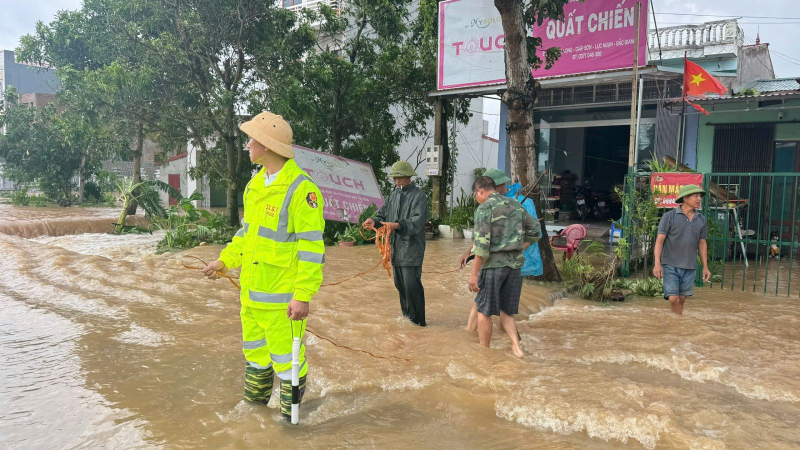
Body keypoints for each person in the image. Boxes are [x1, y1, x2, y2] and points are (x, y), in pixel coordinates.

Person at [201, 112, 325, 419]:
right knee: (256, 359)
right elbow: (246, 235)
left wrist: (303, 294)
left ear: (267, 146)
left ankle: (289, 423)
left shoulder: (301, 190)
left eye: (251, 139)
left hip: (283, 301)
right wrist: (224, 261)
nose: (247, 145)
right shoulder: (255, 185)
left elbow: (312, 248)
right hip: (251, 296)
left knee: (288, 362)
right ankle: (256, 419)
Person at [459, 169, 543, 332]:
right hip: (511, 262)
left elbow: (533, 233)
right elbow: (482, 237)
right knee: (491, 304)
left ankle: (488, 341)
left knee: (488, 305)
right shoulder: (510, 203)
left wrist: (474, 272)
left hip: (499, 263)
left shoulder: (508, 204)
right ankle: (482, 334)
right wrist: (468, 252)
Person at [362, 161, 429, 326]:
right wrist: (374, 221)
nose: (396, 181)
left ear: (408, 177)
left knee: (412, 286)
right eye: (395, 178)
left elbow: (418, 222)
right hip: (395, 248)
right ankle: (407, 319)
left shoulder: (419, 196)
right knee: (400, 285)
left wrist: (398, 225)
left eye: (399, 178)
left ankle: (419, 322)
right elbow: (384, 216)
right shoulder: (393, 195)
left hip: (412, 249)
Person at [653, 184, 711, 315]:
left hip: (689, 265)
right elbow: (659, 241)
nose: (699, 199)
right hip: (670, 264)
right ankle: (678, 322)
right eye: (696, 196)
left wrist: (705, 267)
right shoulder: (669, 217)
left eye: (700, 196)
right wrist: (657, 264)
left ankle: (677, 323)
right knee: (673, 298)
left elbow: (702, 243)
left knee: (682, 298)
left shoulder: (701, 220)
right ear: (685, 198)